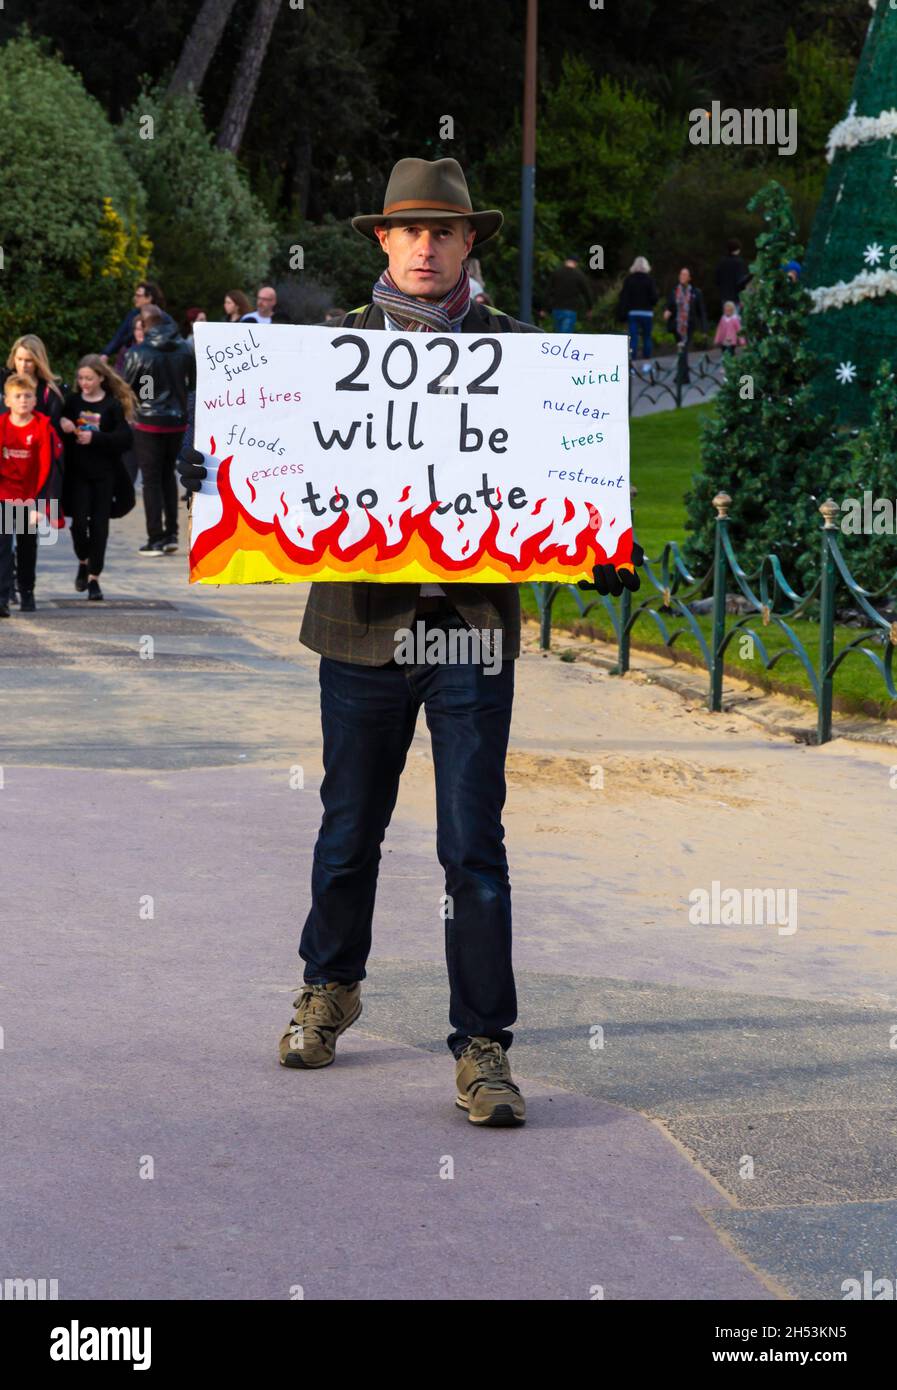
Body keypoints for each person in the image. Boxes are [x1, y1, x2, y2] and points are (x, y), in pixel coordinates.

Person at [179, 156, 644, 1125]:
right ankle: (330, 982)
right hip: (357, 628)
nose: (427, 245)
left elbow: (569, 476)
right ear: (382, 240)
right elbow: (263, 459)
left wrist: (601, 540)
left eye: (445, 230)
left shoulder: (522, 357)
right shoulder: (326, 352)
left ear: (471, 240)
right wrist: (214, 459)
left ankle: (484, 1045)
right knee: (349, 827)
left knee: (473, 843)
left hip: (473, 631)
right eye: (410, 230)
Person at [122, 304, 195, 555]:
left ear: (143, 326)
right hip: (176, 420)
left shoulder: (139, 352)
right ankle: (172, 533)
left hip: (149, 422)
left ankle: (155, 537)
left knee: (151, 480)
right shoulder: (185, 349)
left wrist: (144, 400)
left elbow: (131, 387)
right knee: (167, 475)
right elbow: (192, 383)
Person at [59, 356, 134, 601]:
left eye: (89, 378)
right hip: (78, 474)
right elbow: (57, 427)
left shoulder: (112, 405)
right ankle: (83, 559)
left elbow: (124, 439)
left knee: (100, 527)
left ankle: (94, 578)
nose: (84, 383)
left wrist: (96, 439)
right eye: (81, 378)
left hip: (105, 475)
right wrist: (64, 423)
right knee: (79, 524)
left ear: (101, 377)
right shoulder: (71, 402)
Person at [0, 373, 60, 615]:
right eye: (18, 396)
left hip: (30, 496)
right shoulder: (2, 426)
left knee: (27, 545)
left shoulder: (41, 427)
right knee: (3, 546)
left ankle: (27, 591)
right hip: (5, 495)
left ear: (35, 400)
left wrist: (40, 505)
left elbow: (48, 468)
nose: (23, 400)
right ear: (7, 400)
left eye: (28, 396)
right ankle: (3, 597)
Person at [1, 336, 66, 442]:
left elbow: (53, 430)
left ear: (37, 361)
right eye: (19, 359)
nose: (23, 365)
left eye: (28, 360)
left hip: (34, 452)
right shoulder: (2, 381)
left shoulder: (48, 392)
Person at [101, 281, 174, 366]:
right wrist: (106, 353)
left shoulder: (163, 318)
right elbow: (120, 335)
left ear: (149, 298)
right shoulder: (133, 314)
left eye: (138, 296)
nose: (135, 298)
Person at [663, 268, 707, 383]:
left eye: (685, 274)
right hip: (677, 326)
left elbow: (701, 311)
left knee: (683, 349)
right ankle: (684, 377)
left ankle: (680, 376)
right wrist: (667, 311)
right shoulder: (674, 291)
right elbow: (670, 305)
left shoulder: (695, 293)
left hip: (689, 325)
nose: (682, 276)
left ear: (689, 278)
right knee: (681, 350)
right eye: (681, 274)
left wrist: (704, 329)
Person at [617, 256, 659, 373]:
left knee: (633, 339)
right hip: (646, 313)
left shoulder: (629, 280)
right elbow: (655, 298)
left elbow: (623, 297)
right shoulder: (649, 280)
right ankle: (646, 364)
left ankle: (632, 365)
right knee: (646, 338)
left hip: (633, 313)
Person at [544, 254, 594, 334]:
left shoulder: (556, 273)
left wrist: (545, 308)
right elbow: (587, 293)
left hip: (557, 308)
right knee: (566, 335)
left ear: (566, 261)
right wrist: (590, 308)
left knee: (558, 333)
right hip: (570, 309)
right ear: (576, 263)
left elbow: (548, 291)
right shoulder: (579, 275)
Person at [715, 239, 751, 313]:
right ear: (738, 249)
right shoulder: (739, 262)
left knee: (727, 320)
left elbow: (717, 279)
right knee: (735, 321)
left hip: (724, 297)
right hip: (735, 298)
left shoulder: (722, 261)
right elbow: (741, 282)